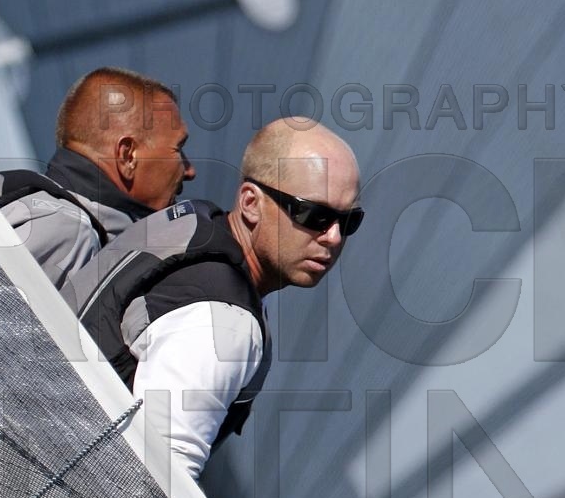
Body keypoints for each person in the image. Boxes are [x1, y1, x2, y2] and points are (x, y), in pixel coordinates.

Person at [63, 117, 363, 479]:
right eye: (314, 215)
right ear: (250, 203)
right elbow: (161, 479)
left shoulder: (189, 225)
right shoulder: (222, 318)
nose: (333, 237)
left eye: (349, 221)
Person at [0, 67, 194, 290]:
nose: (190, 171)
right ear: (127, 156)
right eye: (178, 149)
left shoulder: (67, 224)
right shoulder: (67, 229)